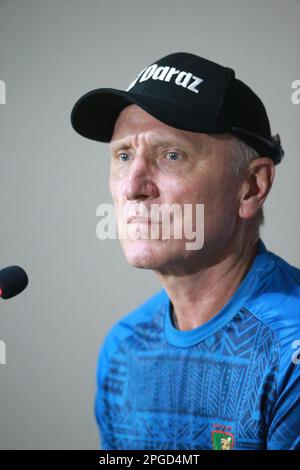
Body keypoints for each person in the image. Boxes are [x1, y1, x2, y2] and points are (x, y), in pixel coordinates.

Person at [71, 52, 300, 450]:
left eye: (171, 155)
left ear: (251, 187)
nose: (132, 187)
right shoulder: (123, 349)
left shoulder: (290, 350)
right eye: (123, 156)